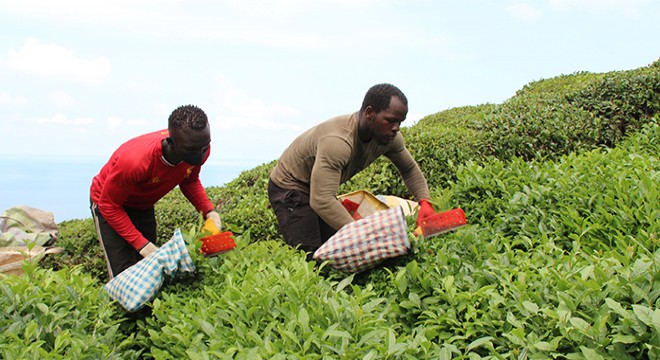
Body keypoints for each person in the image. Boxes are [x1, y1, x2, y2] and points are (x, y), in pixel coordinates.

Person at [268, 83, 437, 259]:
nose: (396, 128)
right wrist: (363, 234)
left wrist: (425, 201)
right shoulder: (338, 142)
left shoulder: (390, 138)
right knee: (311, 258)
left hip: (319, 189)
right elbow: (321, 200)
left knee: (338, 250)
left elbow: (409, 169)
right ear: (370, 113)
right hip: (290, 188)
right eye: (390, 120)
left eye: (400, 122)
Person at [90, 105, 222, 278]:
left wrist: (209, 212)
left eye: (205, 146)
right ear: (171, 143)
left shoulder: (199, 145)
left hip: (143, 204)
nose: (200, 155)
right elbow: (109, 205)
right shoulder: (135, 162)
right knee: (125, 275)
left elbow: (189, 179)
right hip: (110, 204)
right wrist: (144, 246)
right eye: (192, 150)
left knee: (150, 269)